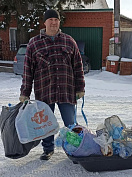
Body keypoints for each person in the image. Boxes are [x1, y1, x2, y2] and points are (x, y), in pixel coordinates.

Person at [19, 9, 85, 160]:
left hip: (66, 90)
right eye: (51, 20)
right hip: (44, 91)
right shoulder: (34, 43)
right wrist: (25, 92)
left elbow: (78, 66)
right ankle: (48, 149)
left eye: (56, 20)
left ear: (59, 22)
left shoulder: (69, 41)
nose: (54, 22)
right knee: (46, 124)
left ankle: (74, 149)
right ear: (45, 22)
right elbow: (28, 70)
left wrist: (80, 87)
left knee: (71, 123)